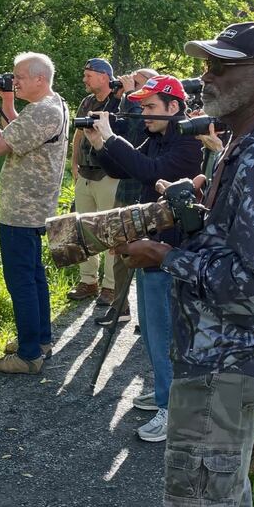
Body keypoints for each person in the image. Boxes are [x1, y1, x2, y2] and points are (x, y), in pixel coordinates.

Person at [113, 22, 254, 507]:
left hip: (223, 366)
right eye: (206, 65)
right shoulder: (245, 144)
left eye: (220, 67)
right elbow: (245, 247)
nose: (204, 78)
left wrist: (163, 258)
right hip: (225, 361)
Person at [83, 75, 202, 442]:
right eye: (142, 106)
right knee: (151, 330)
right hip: (149, 246)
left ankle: (173, 409)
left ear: (174, 107)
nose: (144, 113)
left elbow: (151, 172)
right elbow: (126, 168)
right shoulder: (156, 137)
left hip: (169, 251)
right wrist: (101, 144)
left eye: (151, 107)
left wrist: (112, 138)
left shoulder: (187, 144)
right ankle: (165, 393)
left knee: (165, 332)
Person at [0, 52, 68, 374]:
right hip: (36, 207)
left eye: (20, 77)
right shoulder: (55, 105)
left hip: (22, 211)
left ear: (40, 79)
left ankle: (28, 356)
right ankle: (39, 340)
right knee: (34, 276)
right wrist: (8, 104)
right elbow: (22, 134)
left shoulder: (42, 111)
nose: (14, 81)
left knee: (21, 282)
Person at [94, 67, 159, 327]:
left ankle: (150, 314)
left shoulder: (154, 118)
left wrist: (132, 93)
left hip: (147, 192)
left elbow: (134, 136)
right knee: (120, 252)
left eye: (141, 84)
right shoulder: (126, 104)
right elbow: (114, 127)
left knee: (150, 253)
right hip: (126, 189)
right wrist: (121, 95)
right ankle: (120, 305)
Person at [68, 58, 121, 307]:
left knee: (110, 231)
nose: (84, 79)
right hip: (85, 175)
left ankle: (111, 286)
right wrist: (74, 162)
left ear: (103, 76)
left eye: (88, 75)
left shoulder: (119, 101)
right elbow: (79, 133)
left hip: (109, 175)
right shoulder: (87, 102)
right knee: (83, 229)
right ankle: (88, 281)